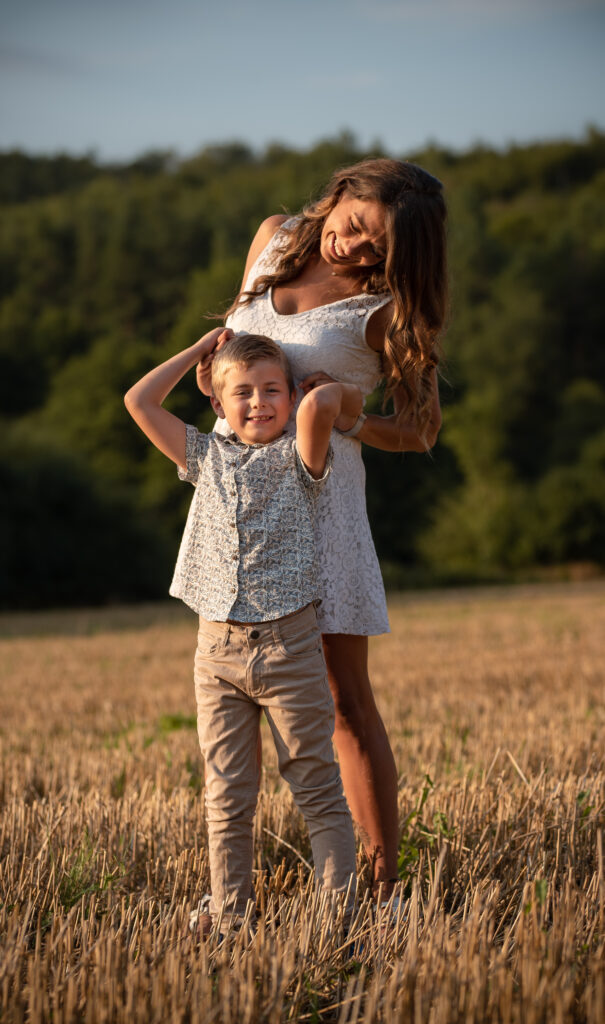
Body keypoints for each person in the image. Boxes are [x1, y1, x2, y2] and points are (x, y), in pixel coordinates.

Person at [196, 158, 447, 898]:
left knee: (342, 700)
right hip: (239, 509)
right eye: (356, 227)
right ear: (340, 193)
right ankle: (238, 882)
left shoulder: (386, 311)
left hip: (323, 512)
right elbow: (233, 349)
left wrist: (353, 418)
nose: (357, 251)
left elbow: (422, 429)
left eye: (379, 250)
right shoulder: (271, 239)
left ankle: (378, 890)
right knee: (231, 695)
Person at [124, 328, 362, 935]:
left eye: (271, 390)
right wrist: (200, 353)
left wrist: (318, 389)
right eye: (243, 393)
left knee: (315, 783)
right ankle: (231, 917)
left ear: (290, 397)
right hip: (217, 652)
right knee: (226, 796)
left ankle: (340, 918)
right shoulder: (204, 457)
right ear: (218, 403)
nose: (258, 402)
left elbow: (321, 409)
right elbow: (139, 401)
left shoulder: (302, 456)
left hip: (289, 649)